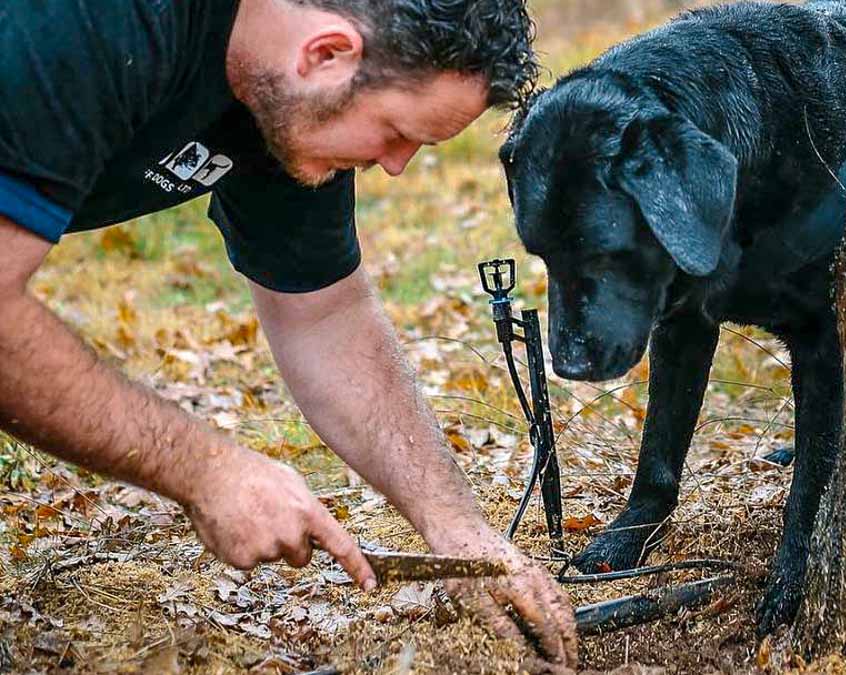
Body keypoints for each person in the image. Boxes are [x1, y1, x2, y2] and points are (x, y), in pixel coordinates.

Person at [0, 0, 576, 666]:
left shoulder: (288, 97)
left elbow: (325, 314)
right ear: (326, 54)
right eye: (395, 131)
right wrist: (205, 469)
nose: (396, 165)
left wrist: (456, 528)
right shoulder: (93, 22)